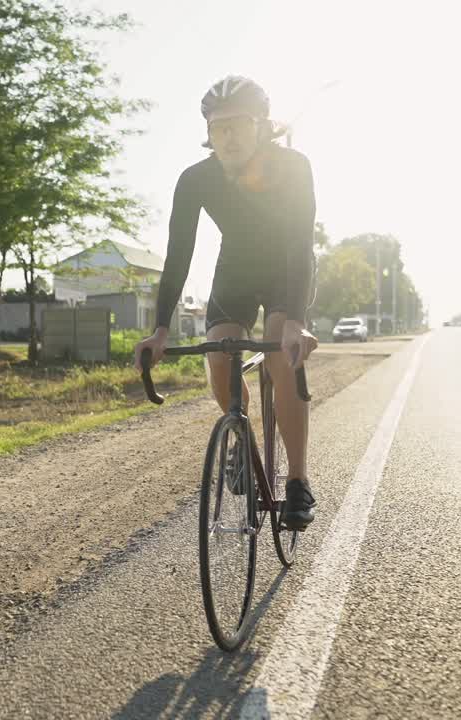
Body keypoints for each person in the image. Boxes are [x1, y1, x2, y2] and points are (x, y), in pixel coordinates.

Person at [133, 75, 319, 530]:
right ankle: (238, 431)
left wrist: (296, 320)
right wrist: (160, 329)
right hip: (234, 271)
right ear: (208, 133)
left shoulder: (293, 165)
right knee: (219, 356)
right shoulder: (196, 178)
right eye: (218, 128)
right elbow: (179, 253)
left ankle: (297, 481)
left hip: (286, 269)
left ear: (261, 125)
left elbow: (300, 243)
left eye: (238, 124)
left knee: (280, 351)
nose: (228, 136)